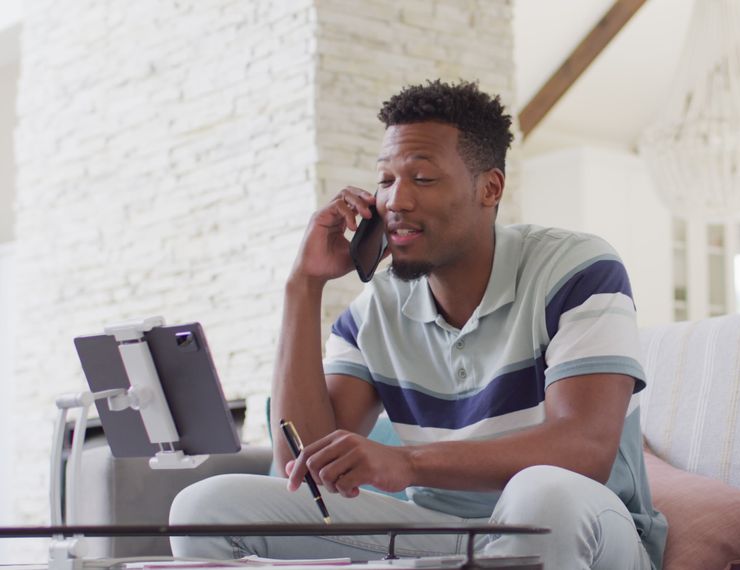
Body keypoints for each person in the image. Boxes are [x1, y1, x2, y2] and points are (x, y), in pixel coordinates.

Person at [169, 79, 666, 570]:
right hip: (440, 532)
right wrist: (303, 286)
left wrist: (406, 465)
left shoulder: (577, 268)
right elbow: (303, 462)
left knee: (541, 492)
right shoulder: (375, 310)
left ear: (489, 188)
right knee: (205, 508)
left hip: (588, 528)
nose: (395, 201)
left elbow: (584, 449)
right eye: (386, 180)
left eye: (422, 179)